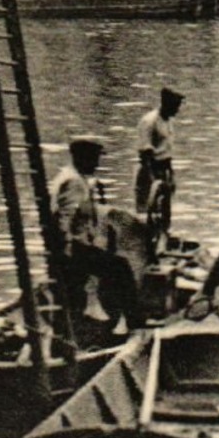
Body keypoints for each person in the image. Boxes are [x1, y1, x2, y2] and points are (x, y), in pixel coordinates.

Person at [51, 136, 139, 330]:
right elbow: (64, 218)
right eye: (95, 158)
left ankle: (82, 324)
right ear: (83, 158)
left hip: (71, 246)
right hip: (71, 248)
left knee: (77, 293)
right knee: (120, 267)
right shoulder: (74, 182)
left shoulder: (69, 176)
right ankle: (135, 323)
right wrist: (67, 250)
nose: (98, 164)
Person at [134, 86, 183, 217]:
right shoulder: (150, 121)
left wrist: (171, 176)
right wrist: (152, 180)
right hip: (150, 170)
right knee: (146, 214)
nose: (178, 110)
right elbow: (145, 153)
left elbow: (167, 150)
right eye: (175, 106)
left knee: (165, 214)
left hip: (163, 171)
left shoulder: (168, 121)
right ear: (166, 103)